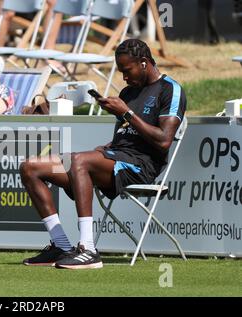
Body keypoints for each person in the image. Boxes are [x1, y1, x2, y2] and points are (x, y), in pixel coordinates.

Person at [19, 39, 187, 269]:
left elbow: (164, 140)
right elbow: (126, 136)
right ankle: (61, 245)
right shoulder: (128, 92)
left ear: (145, 63)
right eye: (121, 72)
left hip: (140, 167)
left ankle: (88, 249)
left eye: (127, 71)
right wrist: (106, 147)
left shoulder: (171, 90)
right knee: (31, 167)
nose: (124, 77)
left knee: (79, 160)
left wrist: (126, 113)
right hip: (115, 159)